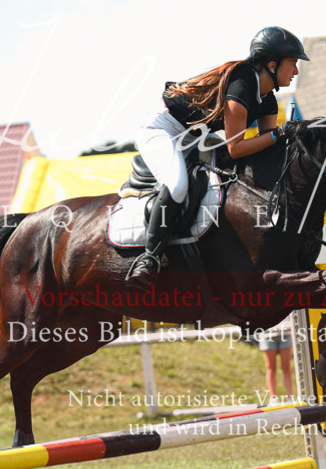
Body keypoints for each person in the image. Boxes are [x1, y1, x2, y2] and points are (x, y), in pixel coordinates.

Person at [125, 26, 309, 290]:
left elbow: (269, 145)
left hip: (194, 136)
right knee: (177, 185)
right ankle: (149, 258)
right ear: (272, 63)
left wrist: (292, 138)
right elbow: (237, 148)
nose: (296, 71)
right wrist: (281, 134)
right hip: (162, 128)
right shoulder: (242, 83)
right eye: (293, 63)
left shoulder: (268, 100)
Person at [260, 316, 294, 403]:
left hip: (286, 332)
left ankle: (290, 398)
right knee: (271, 368)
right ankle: (273, 398)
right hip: (267, 334)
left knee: (286, 367)